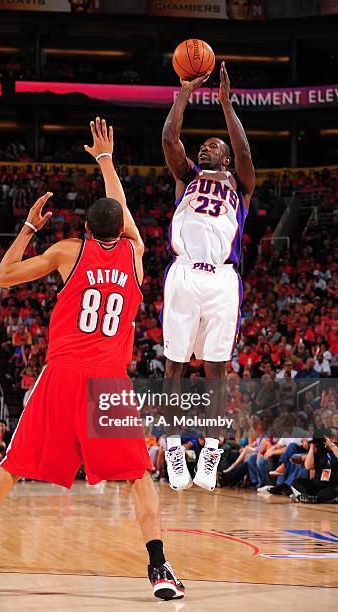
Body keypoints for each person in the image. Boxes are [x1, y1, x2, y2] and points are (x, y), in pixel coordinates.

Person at [0, 118, 184, 601]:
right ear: (122, 229)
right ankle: (160, 569)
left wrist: (28, 227)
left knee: (10, 468)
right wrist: (106, 160)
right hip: (108, 382)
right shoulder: (135, 254)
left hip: (63, 377)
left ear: (87, 227)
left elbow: (2, 278)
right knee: (137, 476)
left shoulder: (68, 251)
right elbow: (123, 212)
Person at [161, 62, 255, 490]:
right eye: (204, 147)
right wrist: (183, 93)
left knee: (217, 368)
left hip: (222, 278)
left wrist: (225, 105)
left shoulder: (240, 182)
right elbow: (169, 138)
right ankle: (175, 446)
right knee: (174, 366)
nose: (205, 149)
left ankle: (213, 448)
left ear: (227, 157)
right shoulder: (187, 178)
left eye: (214, 146)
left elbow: (246, 153)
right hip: (184, 272)